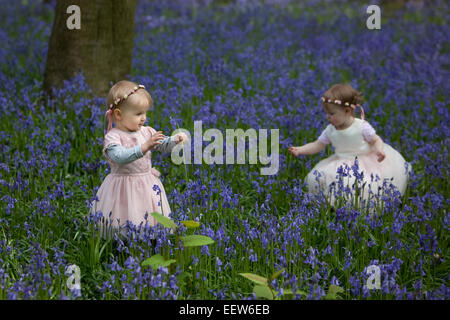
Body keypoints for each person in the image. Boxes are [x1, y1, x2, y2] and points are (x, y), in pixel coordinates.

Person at [90, 80, 187, 238]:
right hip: (122, 188)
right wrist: (144, 147)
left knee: (148, 216)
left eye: (145, 113)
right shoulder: (113, 137)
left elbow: (161, 145)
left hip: (147, 184)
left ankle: (149, 244)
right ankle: (122, 246)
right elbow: (119, 157)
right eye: (138, 114)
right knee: (124, 217)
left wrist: (175, 140)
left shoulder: (146, 132)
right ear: (119, 115)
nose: (143, 118)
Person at [288, 83, 410, 204]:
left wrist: (379, 150)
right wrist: (300, 150)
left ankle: (358, 209)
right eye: (327, 113)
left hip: (364, 161)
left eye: (332, 114)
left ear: (347, 111)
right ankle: (333, 207)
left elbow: (375, 139)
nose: (328, 117)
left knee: (360, 185)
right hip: (341, 161)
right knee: (323, 179)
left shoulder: (361, 126)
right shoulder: (330, 130)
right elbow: (318, 144)